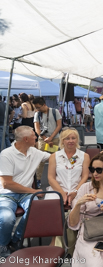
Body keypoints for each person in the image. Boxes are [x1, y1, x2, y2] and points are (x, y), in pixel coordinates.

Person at [0, 126, 50, 257]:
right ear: (26, 139)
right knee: (7, 218)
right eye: (34, 135)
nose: (36, 137)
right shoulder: (6, 154)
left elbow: (54, 157)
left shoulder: (34, 151)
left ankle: (16, 240)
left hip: (25, 194)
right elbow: (7, 184)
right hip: (7, 194)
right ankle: (3, 245)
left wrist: (75, 153)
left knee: (36, 210)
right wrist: (33, 190)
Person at [32, 97, 62, 182]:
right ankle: (38, 179)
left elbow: (59, 126)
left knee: (55, 159)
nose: (37, 109)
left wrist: (51, 138)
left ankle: (57, 179)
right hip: (43, 139)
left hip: (54, 139)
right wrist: (45, 139)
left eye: (38, 107)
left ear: (44, 105)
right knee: (40, 160)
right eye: (36, 107)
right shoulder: (37, 114)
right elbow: (37, 129)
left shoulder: (54, 111)